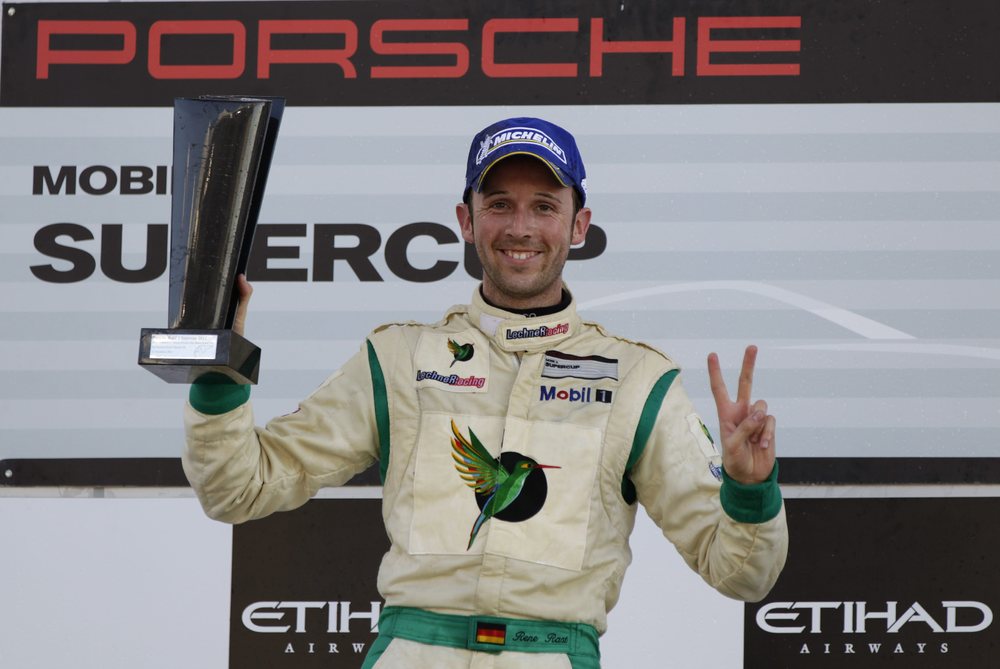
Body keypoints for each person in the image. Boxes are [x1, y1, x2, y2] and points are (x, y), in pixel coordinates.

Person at [183, 117, 788, 668]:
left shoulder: (636, 378)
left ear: (578, 225)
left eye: (544, 206)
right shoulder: (400, 359)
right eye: (499, 204)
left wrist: (749, 489)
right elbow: (238, 488)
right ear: (466, 220)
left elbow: (742, 573)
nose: (520, 228)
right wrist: (219, 369)